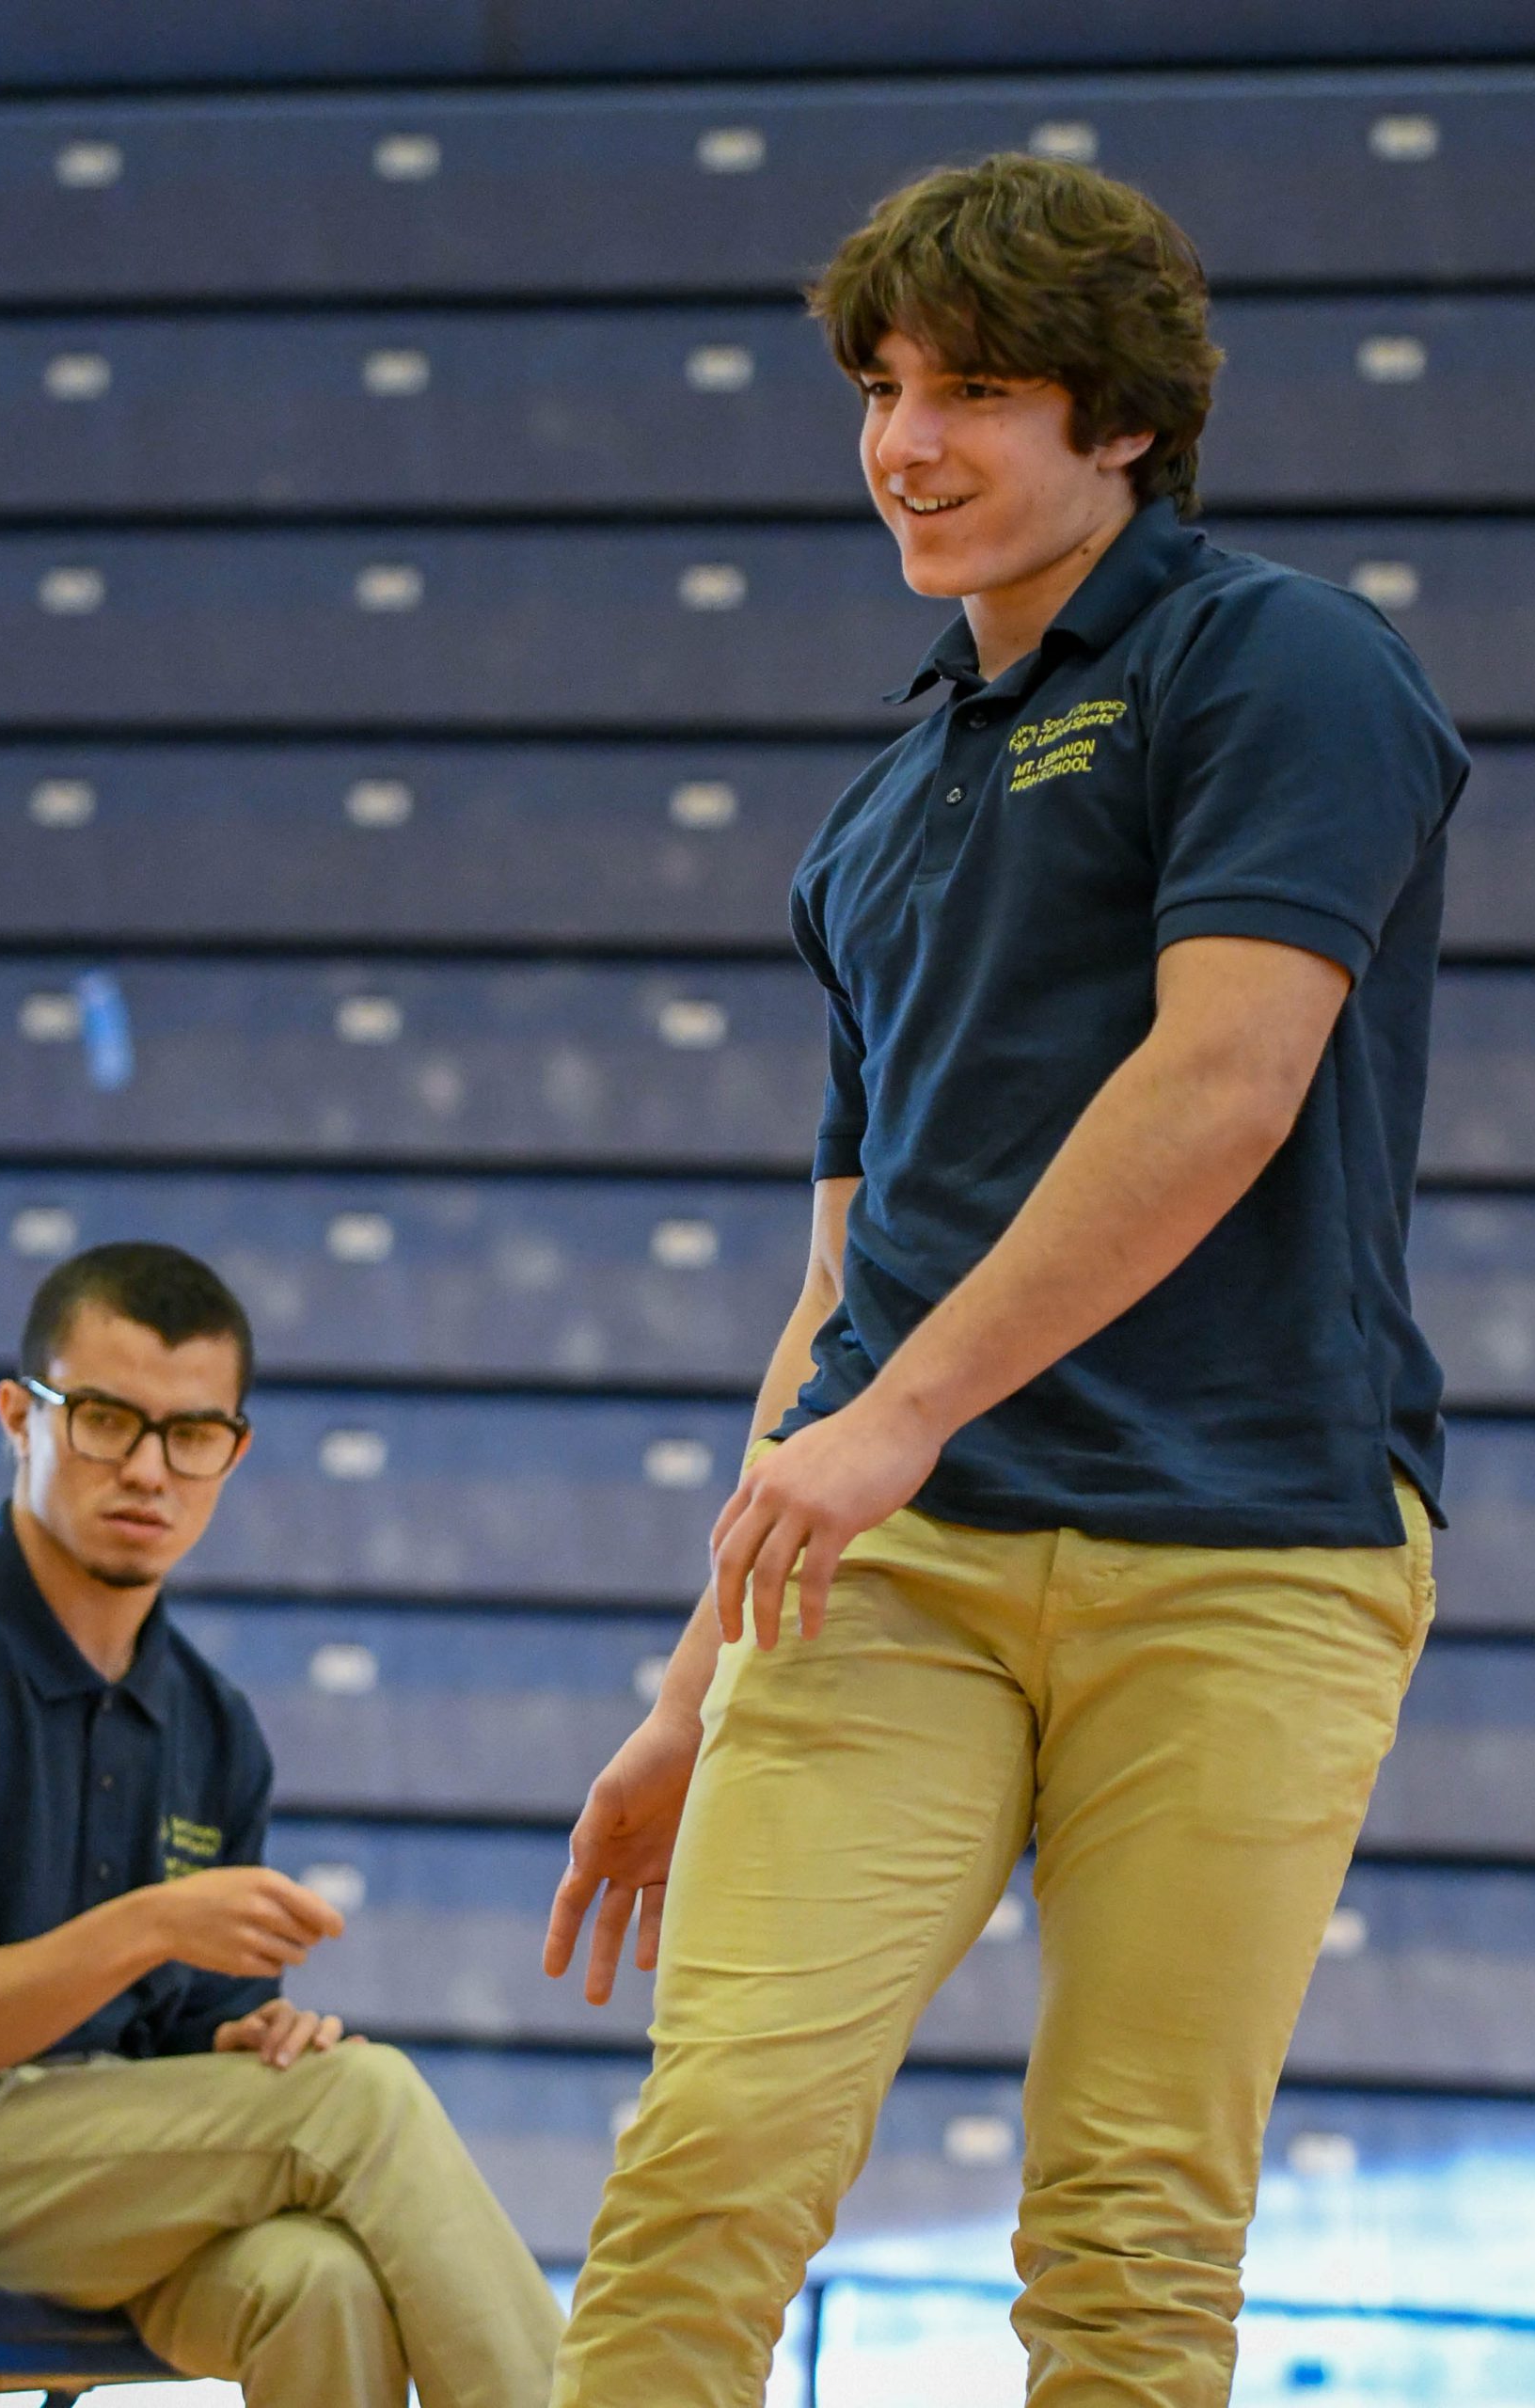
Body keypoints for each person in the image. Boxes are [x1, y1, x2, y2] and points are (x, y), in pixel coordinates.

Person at [544, 152, 1464, 2405]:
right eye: (880, 389)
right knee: (707, 2157)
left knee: (1131, 2225)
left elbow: (1224, 1078)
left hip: (1250, 1552)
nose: (904, 444)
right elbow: (840, 1286)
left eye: (970, 391)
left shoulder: (1284, 662)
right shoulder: (876, 815)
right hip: (896, 1569)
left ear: (1121, 419)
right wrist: (686, 1684)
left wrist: (894, 1414)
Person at [0, 1240, 562, 2408]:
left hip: (92, 2172)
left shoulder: (212, 1724)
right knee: (359, 2101)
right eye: (106, 1420)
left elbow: (178, 2043)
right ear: (19, 1416)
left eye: (191, 1433)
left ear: (233, 1451)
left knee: (320, 2281)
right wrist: (151, 1924)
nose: (149, 1470)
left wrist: (251, 2040)